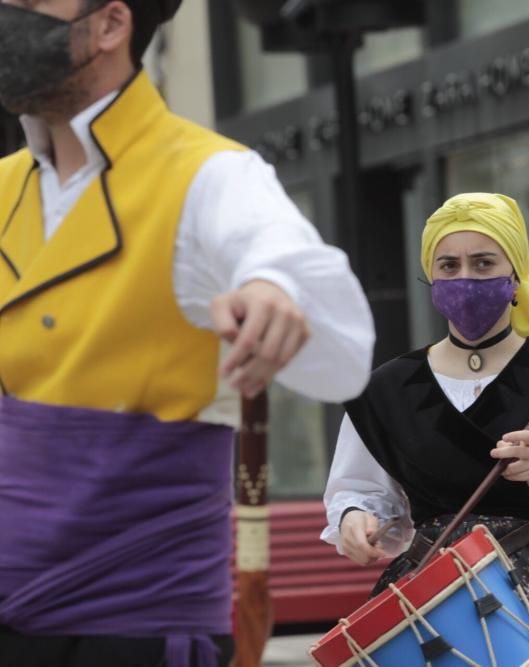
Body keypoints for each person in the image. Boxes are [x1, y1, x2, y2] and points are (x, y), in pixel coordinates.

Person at [0, 2, 375, 667]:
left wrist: (275, 290)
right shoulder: (3, 190)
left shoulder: (210, 175)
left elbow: (338, 345)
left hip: (132, 630)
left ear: (111, 25)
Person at [323, 192, 529, 666]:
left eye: (483, 264)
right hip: (425, 594)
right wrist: (356, 518)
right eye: (449, 266)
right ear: (431, 278)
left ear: (516, 275)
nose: (465, 279)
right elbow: (362, 492)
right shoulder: (384, 389)